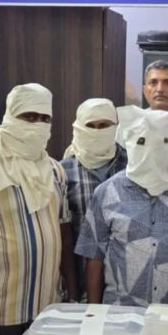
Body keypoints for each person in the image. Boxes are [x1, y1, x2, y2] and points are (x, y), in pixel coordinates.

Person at [0, 83, 75, 335]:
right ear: (11, 116)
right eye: (29, 117)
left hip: (49, 307)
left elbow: (63, 229)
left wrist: (71, 291)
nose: (38, 125)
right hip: (2, 312)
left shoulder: (54, 169)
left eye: (45, 118)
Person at [76, 108, 168, 307]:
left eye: (162, 141)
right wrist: (94, 312)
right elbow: (94, 256)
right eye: (142, 141)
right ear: (129, 143)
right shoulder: (106, 192)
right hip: (120, 311)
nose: (152, 150)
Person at [61, 98, 127, 300]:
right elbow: (63, 235)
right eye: (91, 126)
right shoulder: (63, 171)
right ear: (79, 127)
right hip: (81, 283)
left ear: (115, 127)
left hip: (126, 289)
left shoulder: (132, 166)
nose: (98, 131)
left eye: (105, 125)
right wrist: (73, 291)